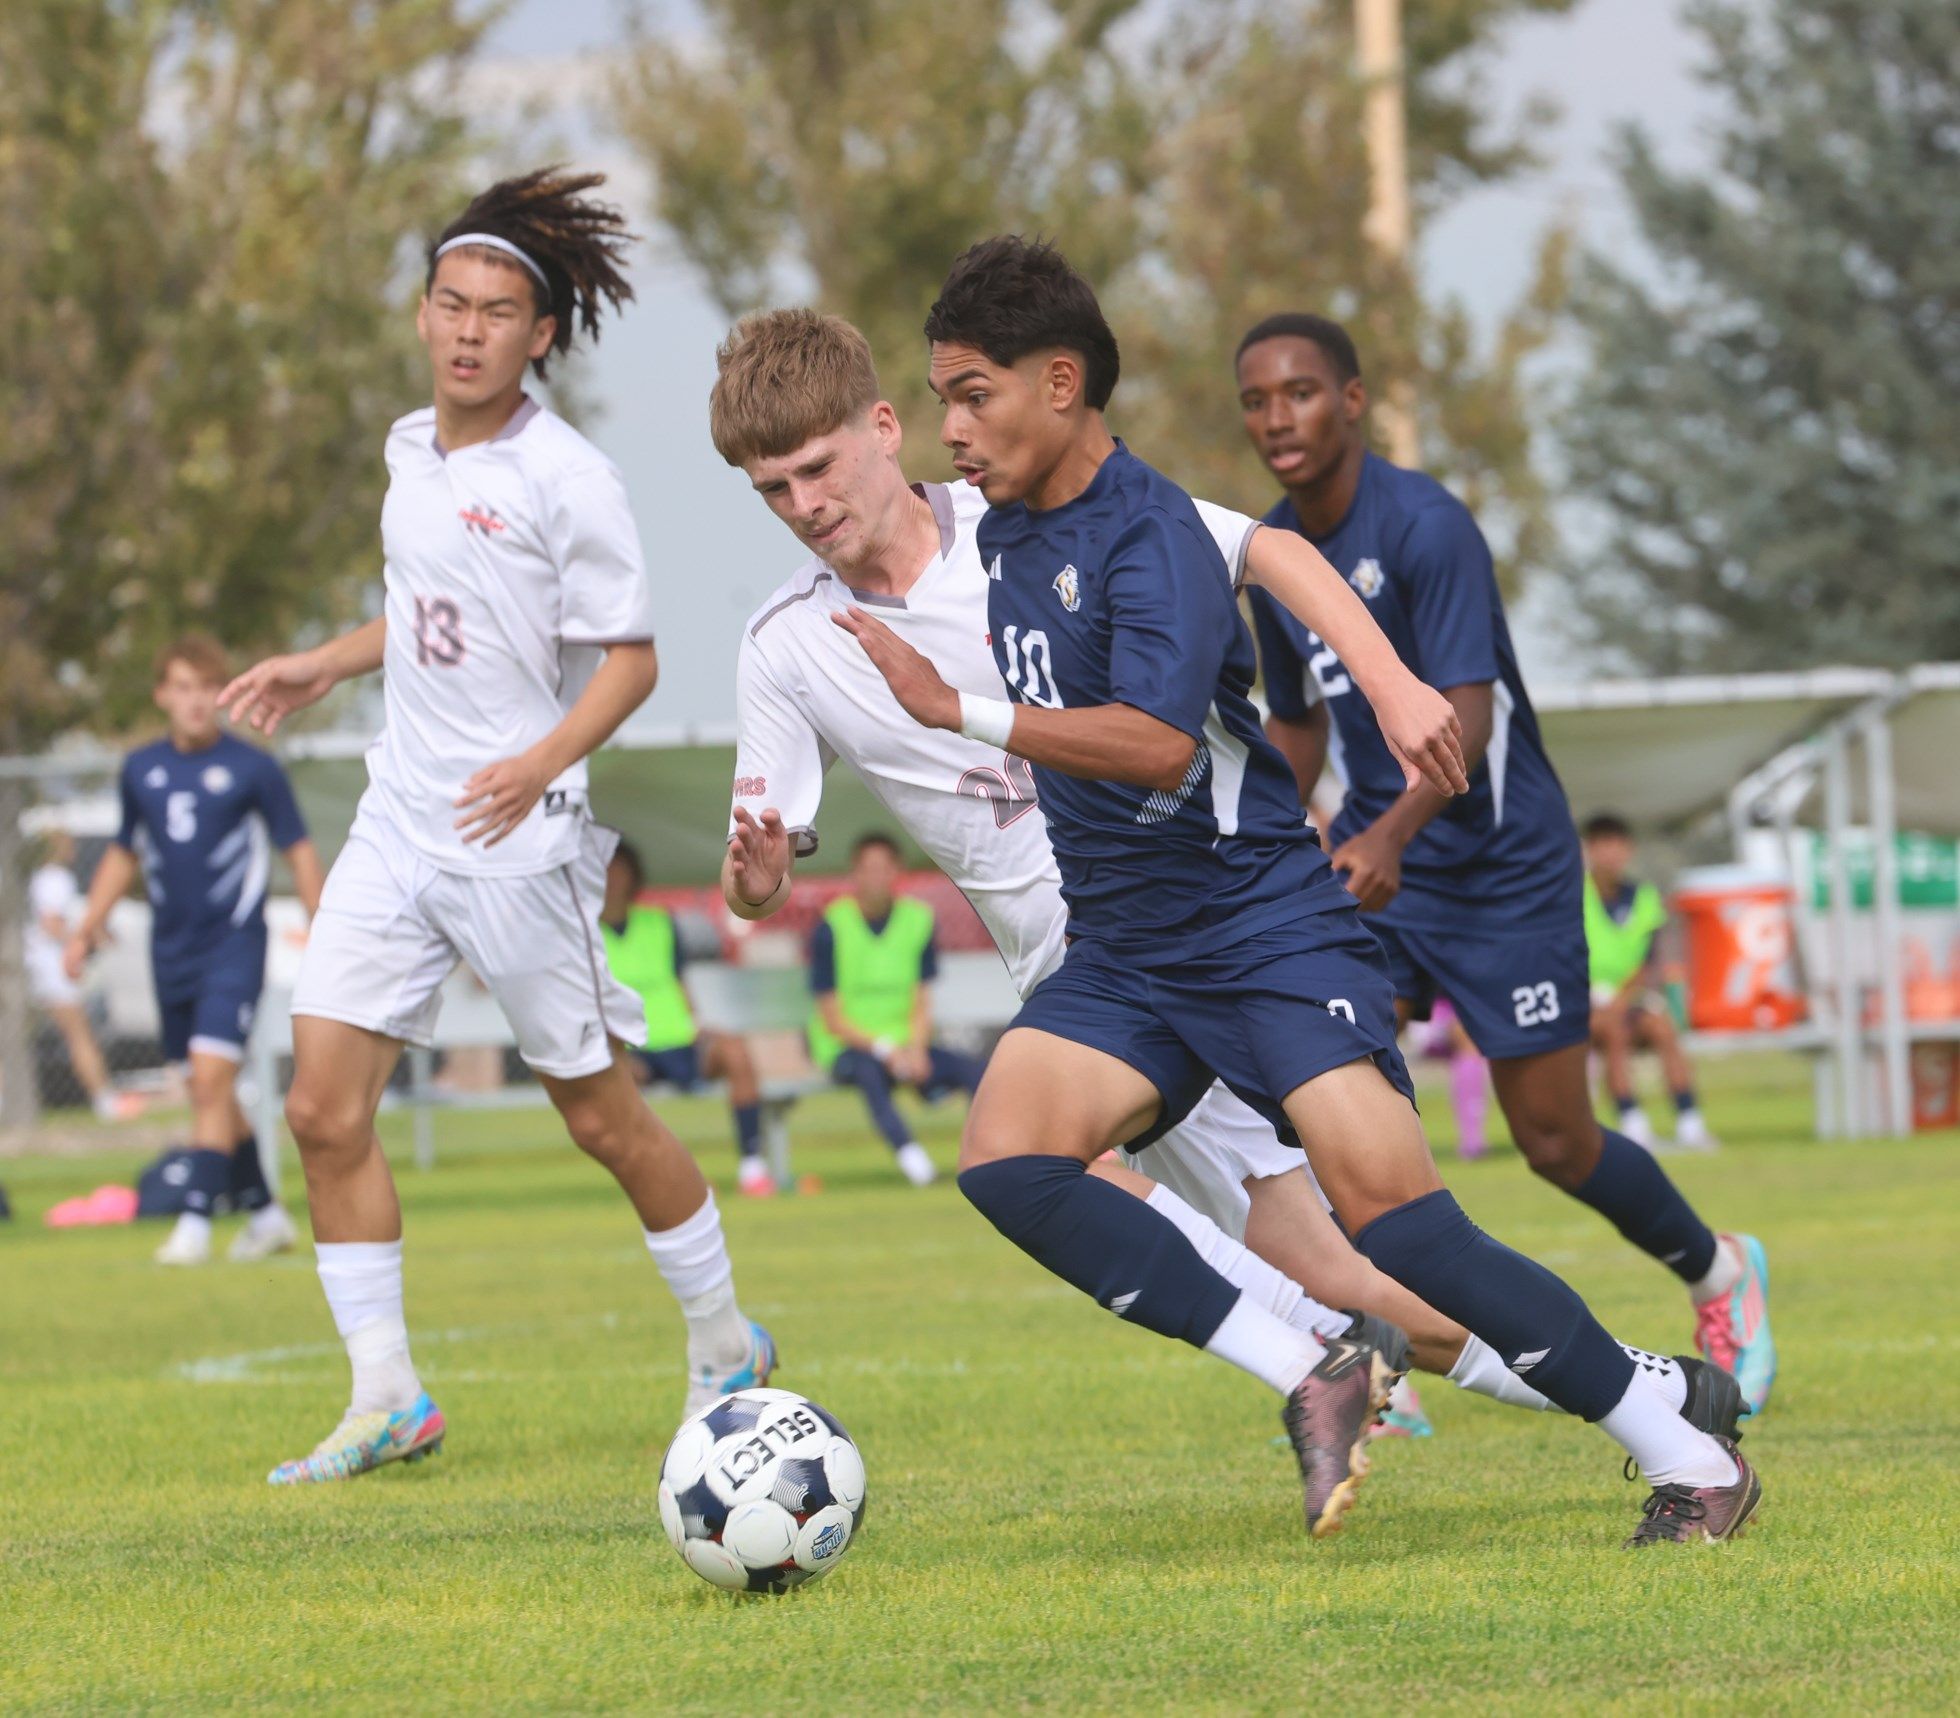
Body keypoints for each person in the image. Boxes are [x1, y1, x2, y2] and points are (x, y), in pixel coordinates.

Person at [715, 299, 1752, 1546]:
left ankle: (1640, 1412)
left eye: (817, 466)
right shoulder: (783, 646)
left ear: (882, 430)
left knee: (1379, 1245)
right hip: (1096, 966)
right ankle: (1625, 1394)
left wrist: (1388, 677)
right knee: (1268, 1248)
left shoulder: (1032, 515)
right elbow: (756, 875)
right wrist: (760, 876)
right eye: (772, 488)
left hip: (1224, 914)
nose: (804, 501)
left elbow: (1253, 558)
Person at [218, 168, 772, 1486]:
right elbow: (423, 610)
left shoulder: (569, 478)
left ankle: (724, 1342)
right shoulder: (413, 446)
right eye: (451, 303)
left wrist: (538, 761)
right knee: (320, 1106)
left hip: (516, 841)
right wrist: (326, 662)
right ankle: (389, 1394)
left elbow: (630, 661)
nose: (470, 328)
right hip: (398, 819)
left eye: (499, 310)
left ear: (541, 335)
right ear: (423, 316)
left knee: (597, 1114)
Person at [1237, 311, 1774, 1419]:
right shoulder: (1275, 556)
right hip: (1380, 878)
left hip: (1499, 868)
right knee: (1313, 1100)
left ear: (1351, 400)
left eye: (1297, 392)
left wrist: (1385, 835)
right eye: (1255, 400)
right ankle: (1376, 1337)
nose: (1276, 417)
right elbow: (1294, 730)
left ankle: (1720, 1271)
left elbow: (1466, 726)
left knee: (1553, 1139)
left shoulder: (1427, 527)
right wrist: (1263, 834)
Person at [65, 636, 315, 1263]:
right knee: (212, 1091)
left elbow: (299, 850)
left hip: (234, 944)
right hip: (168, 951)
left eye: (207, 687)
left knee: (208, 1081)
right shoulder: (140, 770)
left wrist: (326, 928)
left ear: (223, 695)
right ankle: (265, 1213)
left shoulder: (253, 768)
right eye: (182, 687)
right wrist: (85, 927)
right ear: (162, 695)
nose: (195, 701)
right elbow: (123, 853)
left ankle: (197, 1223)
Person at [807, 833, 984, 1188]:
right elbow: (831, 1018)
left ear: (897, 872)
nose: (876, 878)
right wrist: (886, 1050)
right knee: (870, 1074)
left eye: (884, 869)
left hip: (906, 1044)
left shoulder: (917, 920)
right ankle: (915, 1164)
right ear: (854, 874)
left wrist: (916, 1050)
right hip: (850, 1048)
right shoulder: (830, 927)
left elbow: (921, 999)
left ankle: (979, 1160)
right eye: (868, 869)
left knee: (978, 1072)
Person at [600, 838, 775, 1198]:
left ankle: (752, 1167)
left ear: (633, 878)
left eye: (620, 871)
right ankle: (666, 1177)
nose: (613, 880)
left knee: (734, 1050)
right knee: (614, 1081)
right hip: (630, 1049)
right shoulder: (581, 933)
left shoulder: (660, 924)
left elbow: (677, 982)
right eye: (605, 871)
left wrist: (697, 1024)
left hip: (679, 1039)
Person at [1583, 813, 1717, 1152]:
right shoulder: (1571, 894)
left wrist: (1625, 996)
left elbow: (1649, 960)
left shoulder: (1642, 897)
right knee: (1614, 1031)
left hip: (1628, 999)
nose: (1610, 855)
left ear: (1628, 850)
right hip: (1582, 1002)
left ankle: (1690, 1123)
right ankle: (1634, 1126)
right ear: (1589, 850)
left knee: (1662, 1028)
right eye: (1602, 846)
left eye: (1617, 846)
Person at [28, 830, 131, 1123]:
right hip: (53, 967)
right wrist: (84, 940)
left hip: (37, 964)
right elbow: (51, 924)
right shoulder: (54, 878)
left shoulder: (34, 877)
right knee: (79, 1035)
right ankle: (104, 1100)